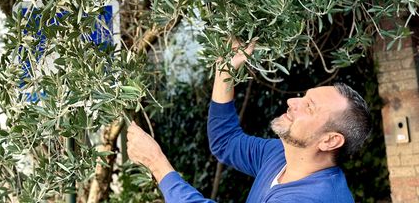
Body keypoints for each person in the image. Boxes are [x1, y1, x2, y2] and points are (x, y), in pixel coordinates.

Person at [126, 40, 371, 202]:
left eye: (309, 106)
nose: (292, 102)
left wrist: (157, 163)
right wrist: (224, 73)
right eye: (302, 96)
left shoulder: (314, 198)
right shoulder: (279, 156)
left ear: (329, 140)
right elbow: (226, 142)